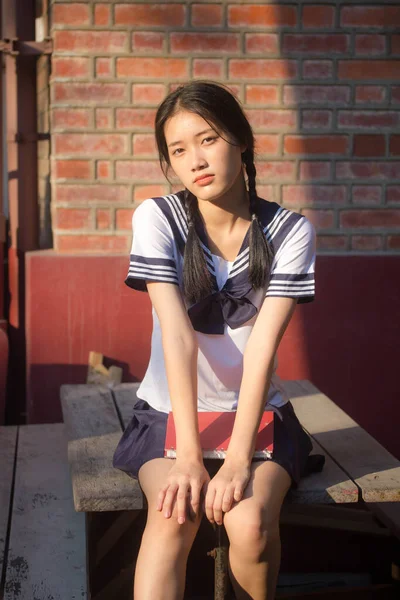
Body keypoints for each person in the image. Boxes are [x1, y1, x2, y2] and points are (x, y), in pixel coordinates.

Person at [113, 80, 318, 600]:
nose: (195, 160)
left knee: (248, 524)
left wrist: (237, 459)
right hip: (168, 414)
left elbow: (262, 350)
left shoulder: (290, 232)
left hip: (256, 417)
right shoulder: (158, 218)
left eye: (208, 140)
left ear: (241, 141)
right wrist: (187, 455)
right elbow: (178, 338)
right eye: (178, 150)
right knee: (173, 514)